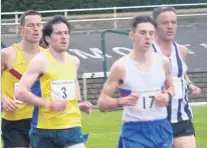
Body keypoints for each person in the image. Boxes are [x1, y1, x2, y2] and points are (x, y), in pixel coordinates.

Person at [15, 15, 93, 148]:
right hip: (45, 130)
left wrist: (80, 102)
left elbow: (73, 82)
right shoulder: (40, 61)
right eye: (58, 33)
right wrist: (48, 104)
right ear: (47, 38)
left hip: (71, 126)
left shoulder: (74, 61)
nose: (64, 37)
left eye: (66, 33)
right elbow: (19, 92)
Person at [98, 16, 175, 148]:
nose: (148, 37)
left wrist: (167, 96)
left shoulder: (163, 62)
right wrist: (119, 101)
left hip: (161, 126)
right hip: (135, 129)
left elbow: (172, 87)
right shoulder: (121, 67)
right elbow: (102, 103)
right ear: (132, 36)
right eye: (143, 32)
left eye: (151, 33)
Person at [152, 6, 201, 148]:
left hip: (181, 117)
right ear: (155, 26)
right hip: (155, 119)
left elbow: (180, 73)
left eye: (173, 22)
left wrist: (190, 85)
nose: (170, 27)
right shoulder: (148, 51)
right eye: (165, 23)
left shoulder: (181, 50)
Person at [1, 10, 44, 148]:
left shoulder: (48, 56)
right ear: (21, 29)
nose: (36, 29)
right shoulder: (7, 54)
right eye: (31, 25)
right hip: (15, 121)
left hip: (42, 121)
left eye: (39, 25)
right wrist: (3, 99)